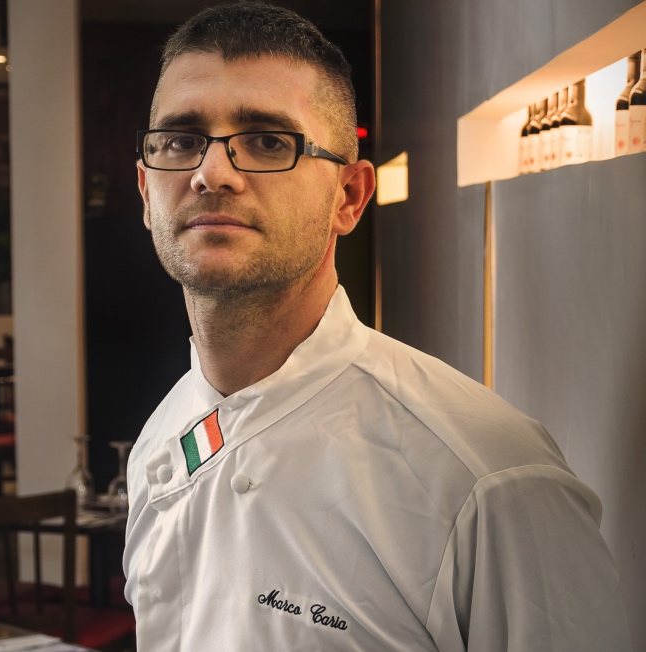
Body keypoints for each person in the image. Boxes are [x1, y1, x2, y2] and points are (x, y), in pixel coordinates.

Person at [122, 2, 631, 650]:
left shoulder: (487, 478)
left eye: (268, 142)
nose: (211, 173)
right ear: (146, 192)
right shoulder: (157, 446)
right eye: (180, 140)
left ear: (350, 197)